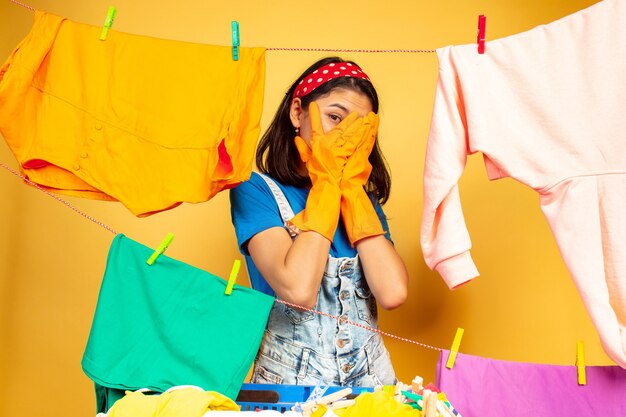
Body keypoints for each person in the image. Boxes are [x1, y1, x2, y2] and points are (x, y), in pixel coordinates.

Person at [229, 56, 409, 387]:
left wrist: (351, 189)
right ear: (298, 112)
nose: (344, 136)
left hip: (372, 383)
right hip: (291, 385)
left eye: (358, 128)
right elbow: (297, 289)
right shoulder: (256, 191)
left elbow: (393, 292)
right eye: (334, 117)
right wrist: (327, 184)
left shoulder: (361, 200)